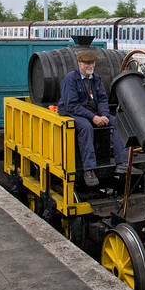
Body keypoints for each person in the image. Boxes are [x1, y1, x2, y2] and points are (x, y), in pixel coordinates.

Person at [57, 49, 128, 187]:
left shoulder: (96, 79)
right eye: (87, 63)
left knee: (118, 123)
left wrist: (103, 115)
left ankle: (122, 162)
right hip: (74, 113)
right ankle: (89, 170)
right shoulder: (70, 79)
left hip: (93, 112)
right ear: (79, 64)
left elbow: (102, 99)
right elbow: (71, 105)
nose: (91, 66)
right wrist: (93, 117)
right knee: (86, 127)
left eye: (92, 63)